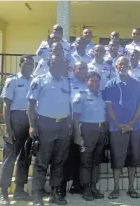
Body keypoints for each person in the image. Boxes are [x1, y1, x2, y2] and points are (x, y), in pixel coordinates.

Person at [27, 55, 71, 206]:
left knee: (59, 162)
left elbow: (70, 105)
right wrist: (32, 125)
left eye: (59, 61)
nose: (56, 64)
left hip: (63, 126)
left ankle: (54, 194)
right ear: (49, 64)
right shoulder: (39, 81)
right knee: (41, 162)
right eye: (53, 62)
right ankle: (37, 196)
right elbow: (31, 105)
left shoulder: (67, 81)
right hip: (46, 125)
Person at [103, 56, 140, 199]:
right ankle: (116, 189)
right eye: (120, 64)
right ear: (116, 66)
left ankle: (131, 188)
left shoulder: (137, 83)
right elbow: (108, 106)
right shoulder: (110, 84)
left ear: (129, 66)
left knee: (133, 159)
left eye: (126, 63)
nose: (123, 66)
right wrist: (116, 123)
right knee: (117, 159)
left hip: (134, 127)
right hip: (116, 127)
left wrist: (132, 122)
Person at [0, 55, 34, 205]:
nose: (29, 66)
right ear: (20, 65)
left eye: (32, 64)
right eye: (26, 64)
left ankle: (19, 190)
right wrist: (8, 128)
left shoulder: (34, 81)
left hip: (30, 121)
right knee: (9, 158)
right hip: (16, 119)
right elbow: (6, 105)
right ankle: (4, 193)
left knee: (25, 158)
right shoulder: (12, 80)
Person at [73, 71, 106, 201]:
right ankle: (86, 188)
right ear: (87, 81)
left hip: (100, 130)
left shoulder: (102, 96)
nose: (95, 83)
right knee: (86, 161)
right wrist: (77, 135)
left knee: (96, 162)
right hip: (87, 130)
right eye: (92, 80)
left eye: (97, 81)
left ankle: (93, 187)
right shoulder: (81, 95)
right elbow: (75, 117)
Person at [62, 61, 89, 195]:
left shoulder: (90, 83)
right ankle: (62, 186)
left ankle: (77, 184)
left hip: (87, 124)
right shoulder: (68, 82)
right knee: (69, 155)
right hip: (71, 124)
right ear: (74, 70)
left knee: (82, 156)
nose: (84, 70)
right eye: (81, 68)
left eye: (85, 68)